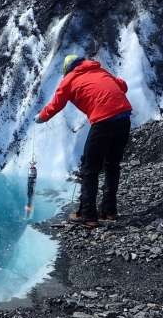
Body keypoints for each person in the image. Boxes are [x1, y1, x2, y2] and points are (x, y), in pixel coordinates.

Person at [35, 55, 132, 228]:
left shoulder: (69, 80)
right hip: (124, 117)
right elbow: (123, 86)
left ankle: (88, 216)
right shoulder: (100, 70)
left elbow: (56, 104)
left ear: (67, 69)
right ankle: (109, 211)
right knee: (112, 165)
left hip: (103, 121)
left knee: (90, 169)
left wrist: (41, 118)